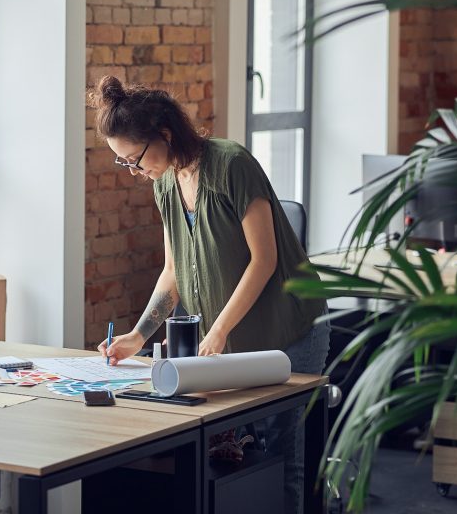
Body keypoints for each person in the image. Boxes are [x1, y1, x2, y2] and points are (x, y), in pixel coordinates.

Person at [90, 75, 329, 514]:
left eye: (135, 159)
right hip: (232, 341)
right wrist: (138, 336)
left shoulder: (231, 164)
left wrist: (217, 331)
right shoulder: (165, 184)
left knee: (282, 454)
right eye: (124, 164)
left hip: (290, 331)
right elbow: (172, 271)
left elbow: (264, 260)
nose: (135, 171)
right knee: (239, 456)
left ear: (163, 134)